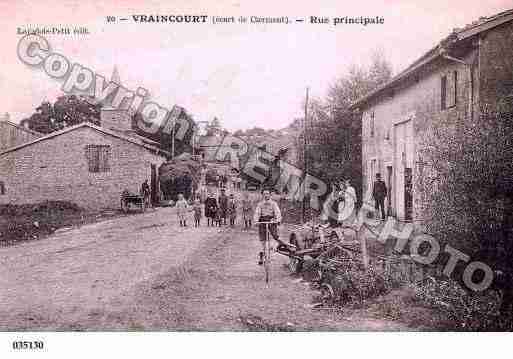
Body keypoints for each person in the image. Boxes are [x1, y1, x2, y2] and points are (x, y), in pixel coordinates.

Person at [253, 189, 282, 265]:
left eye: (267, 194)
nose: (266, 195)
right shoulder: (260, 204)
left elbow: (277, 212)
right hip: (262, 221)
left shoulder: (273, 204)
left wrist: (278, 220)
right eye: (264, 194)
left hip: (271, 221)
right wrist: (256, 221)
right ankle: (261, 255)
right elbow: (257, 213)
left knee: (275, 236)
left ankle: (280, 245)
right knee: (262, 239)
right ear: (262, 195)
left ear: (270, 195)